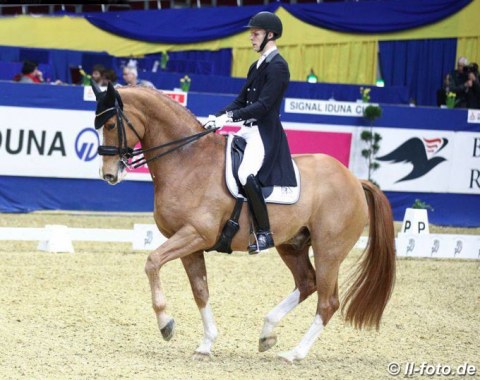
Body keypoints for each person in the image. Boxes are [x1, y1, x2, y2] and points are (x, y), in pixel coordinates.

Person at [208, 11, 297, 254]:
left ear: (270, 35)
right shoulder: (256, 65)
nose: (251, 38)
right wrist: (217, 117)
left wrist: (231, 118)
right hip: (246, 131)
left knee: (247, 173)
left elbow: (264, 106)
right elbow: (241, 101)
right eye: (251, 34)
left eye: (255, 33)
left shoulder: (279, 67)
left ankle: (265, 233)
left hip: (264, 134)